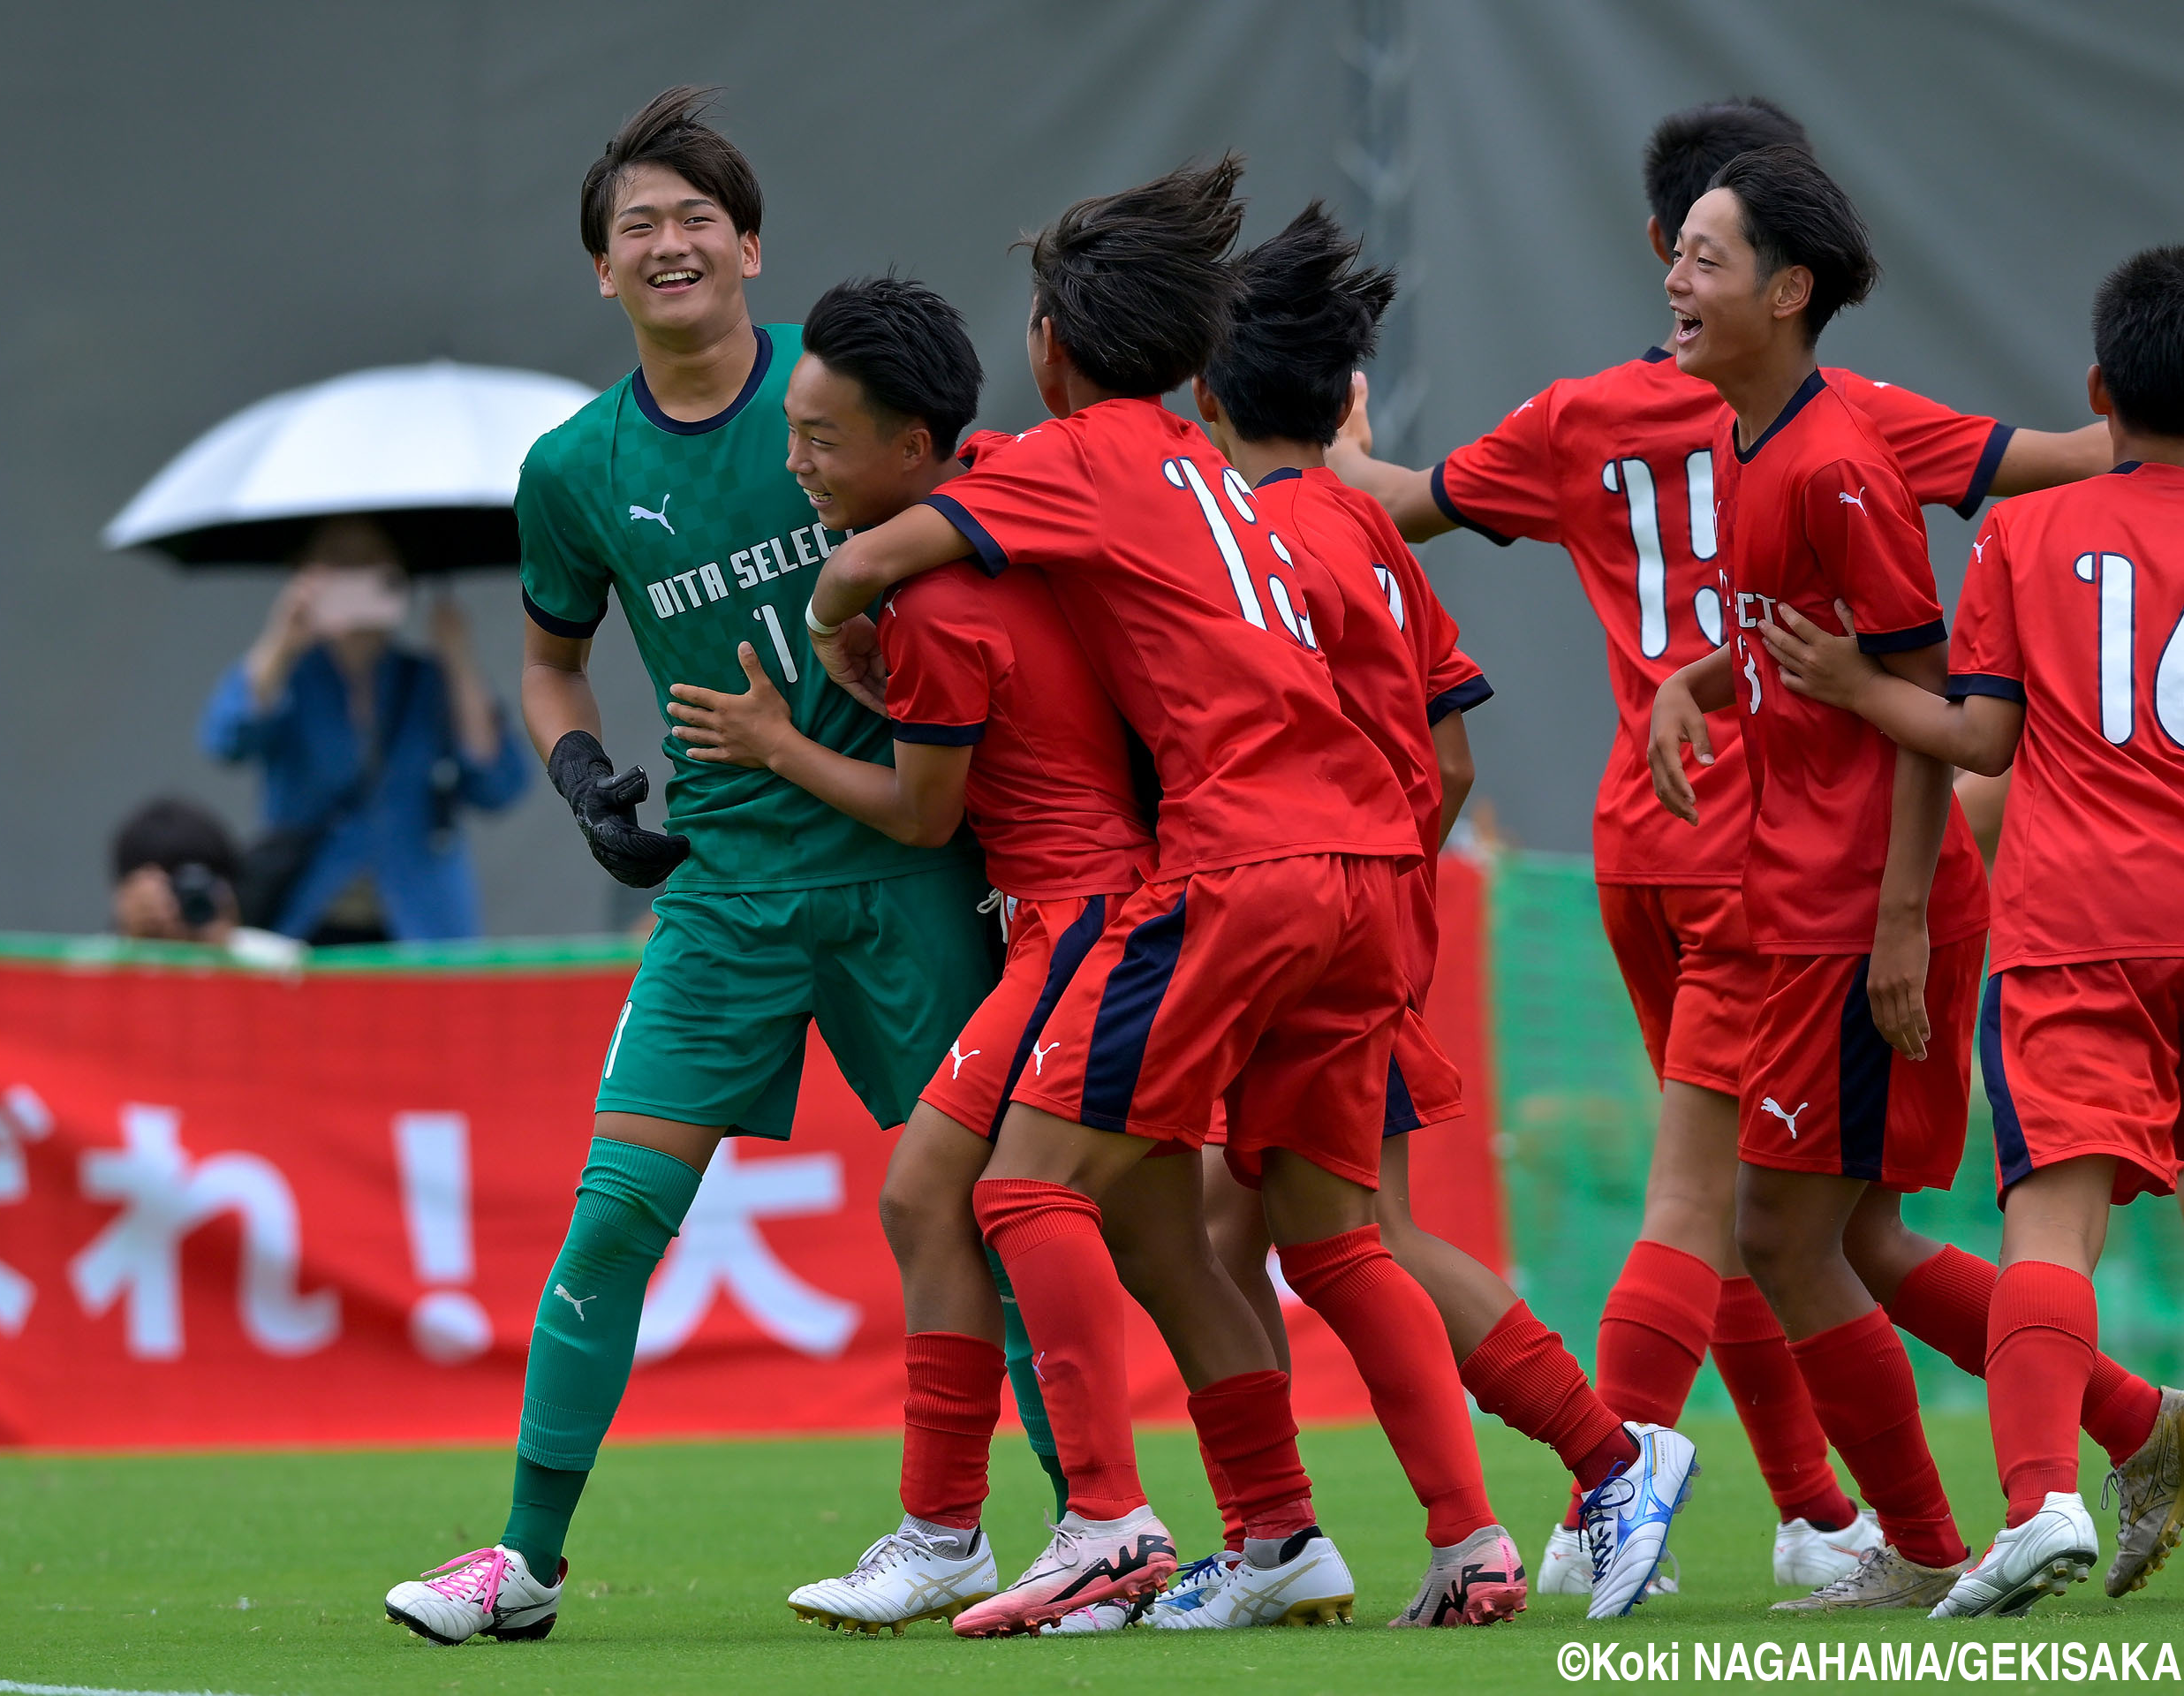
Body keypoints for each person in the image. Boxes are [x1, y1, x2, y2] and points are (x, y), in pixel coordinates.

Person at [803, 155, 1692, 1635]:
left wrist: (837, 622)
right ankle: (1461, 1511)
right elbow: (1437, 742)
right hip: (1366, 875)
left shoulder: (1085, 458)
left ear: (1049, 344)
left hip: (1236, 873)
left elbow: (891, 552)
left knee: (1022, 1190)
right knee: (1318, 1234)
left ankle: (1101, 1521)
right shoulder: (1238, 488)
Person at [1328, 95, 2111, 1594]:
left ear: (1775, 276)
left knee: (1745, 1213)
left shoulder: (1741, 438)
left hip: (1728, 859)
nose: (1678, 283)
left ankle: (1640, 1487)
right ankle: (1887, 1513)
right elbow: (2045, 462)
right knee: (1788, 1220)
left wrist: (1320, 451)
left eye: (1701, 259)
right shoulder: (1813, 427)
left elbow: (1939, 705)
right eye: (1682, 257)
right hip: (1747, 847)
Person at [382, 88, 1016, 1648]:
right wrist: (581, 777)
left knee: (1004, 1211)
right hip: (724, 895)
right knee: (613, 1215)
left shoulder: (843, 383)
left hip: (903, 875)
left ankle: (1080, 1537)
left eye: (693, 220)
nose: (667, 245)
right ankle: (521, 1565)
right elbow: (550, 664)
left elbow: (990, 532)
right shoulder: (574, 467)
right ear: (602, 273)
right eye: (634, 229)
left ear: (749, 246)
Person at [669, 275, 1291, 1634]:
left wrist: (779, 742)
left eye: (822, 442)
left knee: (939, 1198)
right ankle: (1281, 1527)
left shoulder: (939, 600)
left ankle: (1057, 1523)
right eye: (796, 432)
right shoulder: (1006, 487)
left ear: (913, 448)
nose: (797, 465)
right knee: (1166, 1249)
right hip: (1134, 908)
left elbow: (925, 811)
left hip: (1079, 926)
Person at [1181, 201, 1669, 1626]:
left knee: (1335, 1242)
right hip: (1368, 919)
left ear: (1204, 397)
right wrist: (1384, 887)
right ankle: (1290, 1535)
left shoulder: (1246, 551)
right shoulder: (1369, 528)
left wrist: (1323, 893)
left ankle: (1591, 1469)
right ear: (1347, 401)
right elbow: (1450, 755)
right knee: (1238, 1232)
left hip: (1290, 929)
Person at [1758, 245, 2184, 1616]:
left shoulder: (2031, 529)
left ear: (2099, 389)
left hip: (2077, 924)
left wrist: (1848, 683)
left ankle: (2040, 1503)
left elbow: (1978, 734)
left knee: (2050, 1232)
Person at [200, 516, 529, 943]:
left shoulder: (429, 681)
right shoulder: (290, 678)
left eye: (371, 559)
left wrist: (460, 660)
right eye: (338, 560)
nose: (355, 573)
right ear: (305, 571)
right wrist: (283, 638)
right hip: (302, 921)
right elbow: (226, 738)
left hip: (420, 928)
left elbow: (499, 784)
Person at [108, 796, 305, 968]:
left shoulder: (284, 964)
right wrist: (131, 945)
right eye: (174, 887)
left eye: (201, 884)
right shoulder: (94, 968)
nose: (185, 901)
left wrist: (226, 954)